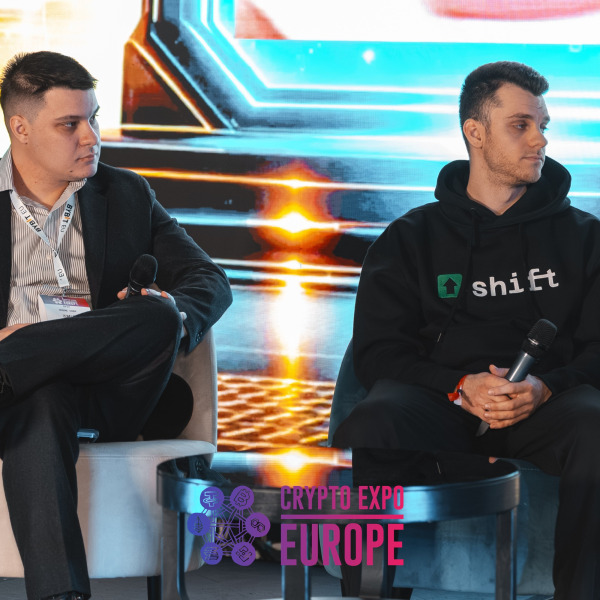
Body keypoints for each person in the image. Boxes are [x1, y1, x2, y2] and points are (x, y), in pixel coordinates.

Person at [332, 61, 600, 599]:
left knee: (595, 424)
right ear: (475, 132)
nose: (541, 140)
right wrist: (458, 386)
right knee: (377, 419)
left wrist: (545, 388)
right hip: (445, 402)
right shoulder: (410, 237)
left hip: (544, 405)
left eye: (543, 125)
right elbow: (378, 353)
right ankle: (371, 593)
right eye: (521, 125)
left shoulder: (585, 237)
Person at [0, 51, 232, 600]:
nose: (91, 137)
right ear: (21, 128)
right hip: (23, 402)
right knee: (42, 400)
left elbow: (209, 280)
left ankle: (13, 361)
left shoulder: (125, 194)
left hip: (114, 394)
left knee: (158, 313)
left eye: (94, 118)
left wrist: (157, 321)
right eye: (70, 125)